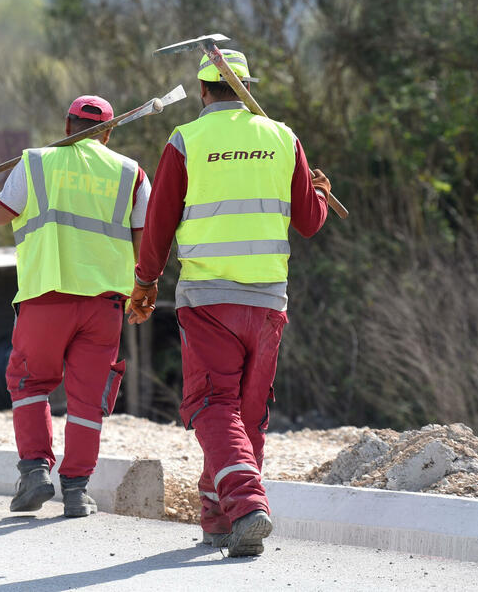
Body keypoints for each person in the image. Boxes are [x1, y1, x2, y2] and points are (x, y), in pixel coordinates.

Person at [126, 49, 331, 555]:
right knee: (246, 412)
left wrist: (145, 281)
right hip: (267, 302)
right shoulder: (283, 137)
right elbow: (309, 222)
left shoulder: (187, 140)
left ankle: (248, 506)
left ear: (202, 91)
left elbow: (159, 222)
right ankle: (222, 521)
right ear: (244, 86)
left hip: (209, 298)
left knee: (212, 405)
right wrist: (320, 194)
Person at [0, 95, 151, 517]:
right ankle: (77, 491)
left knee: (30, 384)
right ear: (108, 132)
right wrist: (142, 292)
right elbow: (145, 244)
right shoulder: (132, 174)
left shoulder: (34, 162)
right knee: (88, 399)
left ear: (67, 128)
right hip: (105, 305)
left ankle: (34, 472)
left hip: (46, 295)